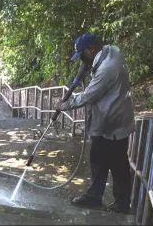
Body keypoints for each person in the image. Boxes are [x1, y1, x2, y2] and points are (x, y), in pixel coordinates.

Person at [55, 33, 135, 214]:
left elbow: (88, 96)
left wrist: (64, 105)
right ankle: (94, 196)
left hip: (113, 122)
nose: (81, 59)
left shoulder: (106, 69)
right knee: (98, 158)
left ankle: (121, 203)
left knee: (117, 163)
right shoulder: (111, 52)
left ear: (91, 49)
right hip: (109, 118)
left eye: (82, 55)